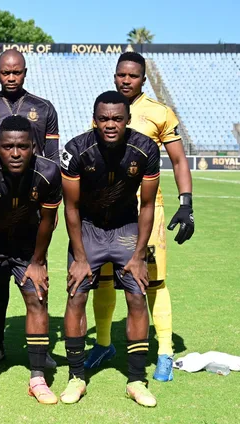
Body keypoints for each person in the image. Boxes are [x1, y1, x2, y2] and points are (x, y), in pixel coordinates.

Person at [86, 52, 195, 382]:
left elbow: (178, 161)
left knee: (153, 281)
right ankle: (103, 344)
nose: (126, 80)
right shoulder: (105, 110)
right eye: (121, 75)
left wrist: (186, 203)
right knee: (104, 279)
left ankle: (164, 352)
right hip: (108, 211)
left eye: (133, 76)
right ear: (114, 76)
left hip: (147, 209)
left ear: (143, 79)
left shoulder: (159, 113)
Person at [60, 91, 160, 407]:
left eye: (117, 118)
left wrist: (140, 255)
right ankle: (76, 377)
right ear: (95, 120)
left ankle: (136, 380)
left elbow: (147, 205)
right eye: (103, 119)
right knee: (76, 294)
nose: (110, 124)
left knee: (137, 295)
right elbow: (71, 207)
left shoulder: (146, 149)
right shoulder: (75, 150)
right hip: (88, 228)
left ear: (128, 120)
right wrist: (79, 257)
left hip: (126, 228)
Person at [0, 48, 61, 368]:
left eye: (16, 72)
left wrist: (51, 208)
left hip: (31, 209)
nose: (11, 77)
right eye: (5, 72)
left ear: (25, 72)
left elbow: (52, 159)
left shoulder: (44, 108)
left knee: (37, 281)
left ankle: (41, 351)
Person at [0, 115, 61, 406]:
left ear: (34, 147)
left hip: (27, 247)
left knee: (37, 297)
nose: (15, 153)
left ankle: (37, 377)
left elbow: (48, 221)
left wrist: (38, 262)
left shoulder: (49, 172)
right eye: (8, 147)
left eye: (23, 146)